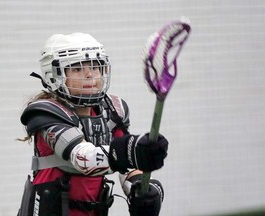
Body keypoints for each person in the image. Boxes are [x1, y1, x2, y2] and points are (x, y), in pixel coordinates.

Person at [17, 32, 168, 216]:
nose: (90, 75)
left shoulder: (112, 110)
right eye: (77, 69)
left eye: (96, 67)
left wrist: (142, 188)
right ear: (53, 74)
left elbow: (127, 167)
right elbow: (83, 158)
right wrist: (132, 151)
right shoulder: (45, 112)